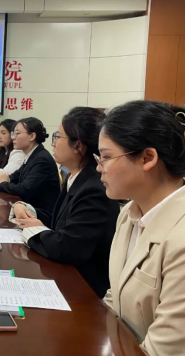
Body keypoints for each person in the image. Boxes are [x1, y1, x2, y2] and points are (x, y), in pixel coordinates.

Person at [98, 100, 185, 356]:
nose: (99, 167)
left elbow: (166, 351)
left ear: (147, 158)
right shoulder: (129, 213)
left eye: (106, 157)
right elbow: (115, 299)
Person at [11, 107, 119, 297]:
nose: (52, 143)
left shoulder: (94, 188)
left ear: (78, 145)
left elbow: (67, 247)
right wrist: (24, 208)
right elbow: (59, 220)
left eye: (58, 136)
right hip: (67, 278)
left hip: (83, 291)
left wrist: (31, 230)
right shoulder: (75, 177)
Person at [0, 117, 59, 214]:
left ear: (32, 136)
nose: (13, 137)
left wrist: (2, 183)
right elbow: (15, 177)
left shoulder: (42, 159)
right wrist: (3, 180)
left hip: (41, 215)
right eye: (13, 133)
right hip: (29, 210)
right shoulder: (32, 155)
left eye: (17, 133)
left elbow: (24, 190)